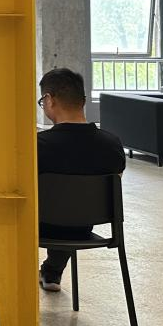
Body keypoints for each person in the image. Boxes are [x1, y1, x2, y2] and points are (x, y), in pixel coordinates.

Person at [36, 67, 126, 293]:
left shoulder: (38, 145)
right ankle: (52, 271)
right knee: (70, 208)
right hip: (84, 227)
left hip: (40, 227)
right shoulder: (112, 144)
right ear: (83, 101)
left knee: (50, 207)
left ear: (49, 99)